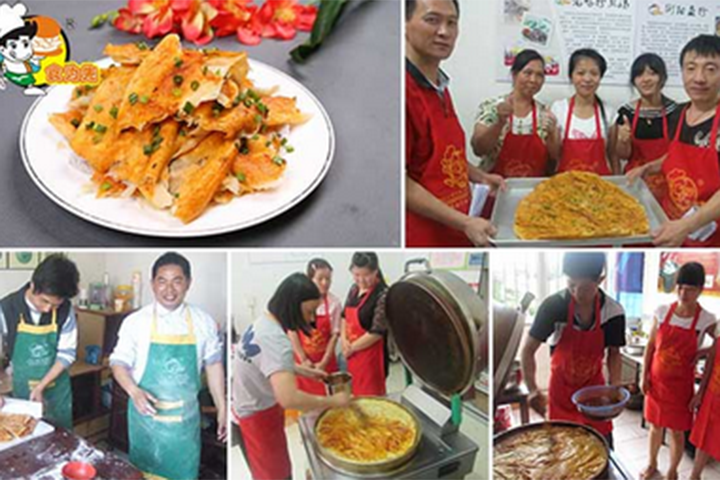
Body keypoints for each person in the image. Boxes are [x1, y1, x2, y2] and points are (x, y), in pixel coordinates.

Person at [110, 252, 226, 480]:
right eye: (162, 281)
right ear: (153, 284)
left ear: (188, 283)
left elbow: (213, 364)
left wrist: (222, 406)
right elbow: (119, 363)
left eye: (177, 281)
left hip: (184, 428)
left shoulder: (204, 322)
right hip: (146, 424)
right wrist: (134, 391)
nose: (169, 289)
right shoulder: (135, 322)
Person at [405, 0, 505, 247]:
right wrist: (464, 222)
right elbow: (399, 181)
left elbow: (443, 156)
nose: (444, 31)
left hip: (457, 227)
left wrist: (480, 176)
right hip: (424, 235)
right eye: (432, 20)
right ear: (405, 23)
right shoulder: (403, 90)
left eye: (452, 23)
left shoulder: (440, 84)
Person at [233, 273, 350, 480]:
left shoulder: (264, 321)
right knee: (276, 475)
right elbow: (289, 398)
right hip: (258, 416)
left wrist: (303, 370)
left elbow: (265, 360)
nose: (311, 319)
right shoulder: (276, 339)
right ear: (293, 306)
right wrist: (332, 400)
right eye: (309, 311)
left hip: (245, 407)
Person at [520, 252, 625, 447]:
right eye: (571, 285)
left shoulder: (613, 311)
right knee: (562, 452)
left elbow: (614, 353)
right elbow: (527, 350)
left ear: (600, 280)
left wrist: (615, 387)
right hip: (561, 394)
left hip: (594, 395)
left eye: (584, 287)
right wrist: (532, 389)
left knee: (601, 448)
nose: (576, 293)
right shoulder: (553, 306)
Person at [628, 35, 720, 246]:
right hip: (670, 221)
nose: (699, 77)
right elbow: (676, 156)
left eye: (710, 69)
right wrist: (648, 168)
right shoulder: (679, 113)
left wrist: (688, 226)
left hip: (709, 235)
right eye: (691, 68)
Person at [640, 262, 716, 480]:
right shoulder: (662, 312)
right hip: (655, 381)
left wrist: (703, 351)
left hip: (680, 387)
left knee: (676, 431)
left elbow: (718, 346)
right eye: (680, 287)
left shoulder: (706, 319)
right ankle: (652, 464)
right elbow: (651, 345)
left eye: (690, 289)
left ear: (701, 290)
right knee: (654, 427)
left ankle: (672, 470)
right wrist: (644, 375)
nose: (684, 293)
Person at [0, 254, 79, 429]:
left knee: (60, 441)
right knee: (25, 436)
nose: (47, 309)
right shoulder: (6, 308)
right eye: (44, 301)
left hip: (57, 390)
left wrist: (41, 387)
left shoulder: (66, 311)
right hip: (23, 391)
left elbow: (67, 354)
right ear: (33, 285)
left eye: (55, 305)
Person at [472, 49, 559, 177]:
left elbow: (555, 158)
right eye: (528, 73)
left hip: (533, 191)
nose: (533, 80)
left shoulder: (545, 113)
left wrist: (552, 134)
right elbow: (478, 149)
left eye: (539, 75)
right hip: (496, 190)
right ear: (514, 74)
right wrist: (499, 123)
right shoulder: (491, 107)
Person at [611, 53, 678, 200]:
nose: (645, 79)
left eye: (652, 73)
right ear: (634, 81)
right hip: (635, 181)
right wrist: (623, 141)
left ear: (662, 78)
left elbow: (678, 153)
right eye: (639, 75)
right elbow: (623, 155)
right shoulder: (626, 112)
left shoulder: (676, 111)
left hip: (669, 183)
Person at [551, 49, 613, 175]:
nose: (587, 79)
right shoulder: (558, 109)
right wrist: (550, 134)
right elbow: (553, 156)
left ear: (600, 77)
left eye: (594, 73)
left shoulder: (609, 112)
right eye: (580, 73)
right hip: (566, 186)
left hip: (600, 187)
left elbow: (613, 156)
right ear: (571, 76)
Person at [287, 258, 341, 395]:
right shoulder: (298, 301)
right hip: (303, 360)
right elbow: (292, 331)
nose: (325, 283)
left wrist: (324, 362)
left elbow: (335, 335)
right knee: (307, 400)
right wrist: (304, 359)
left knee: (328, 400)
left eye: (328, 279)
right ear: (310, 279)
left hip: (326, 360)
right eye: (320, 279)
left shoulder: (335, 303)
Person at [341, 252, 388, 396]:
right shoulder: (354, 289)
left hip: (371, 358)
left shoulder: (383, 294)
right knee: (356, 393)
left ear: (375, 271)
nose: (361, 280)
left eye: (366, 275)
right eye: (356, 275)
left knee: (372, 398)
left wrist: (352, 348)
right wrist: (344, 341)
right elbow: (344, 316)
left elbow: (377, 332)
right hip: (352, 354)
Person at [688, 334, 720, 480]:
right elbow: (709, 365)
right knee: (703, 438)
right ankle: (695, 476)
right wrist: (700, 393)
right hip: (712, 398)